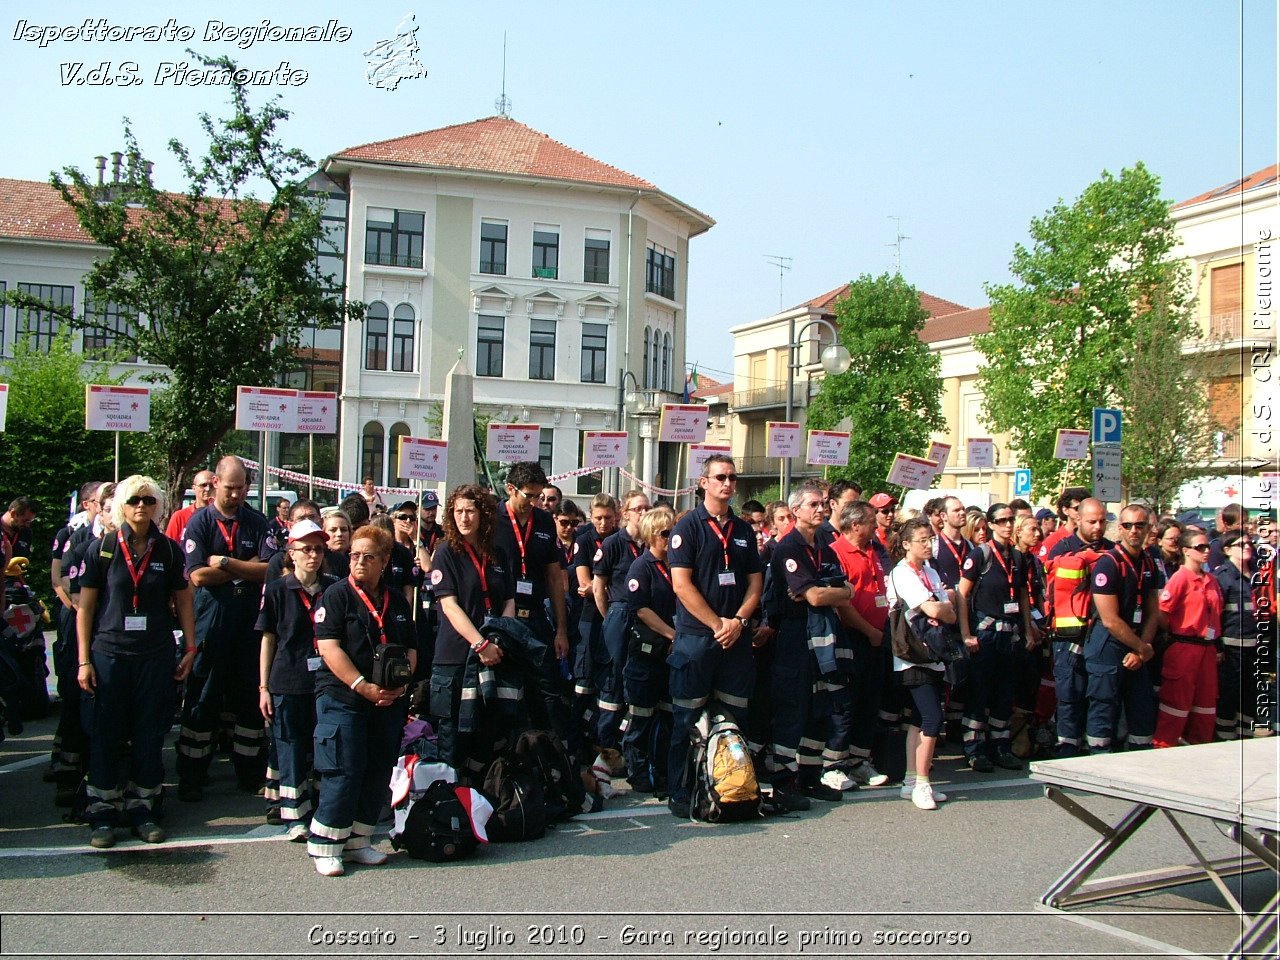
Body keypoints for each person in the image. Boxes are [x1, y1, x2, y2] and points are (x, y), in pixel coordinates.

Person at [76, 475, 196, 847]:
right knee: (107, 734)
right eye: (133, 501)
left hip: (155, 655)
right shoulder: (103, 548)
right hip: (110, 653)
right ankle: (103, 813)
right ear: (120, 506)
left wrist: (191, 648)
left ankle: (144, 808)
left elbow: (184, 600)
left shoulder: (170, 551)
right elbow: (86, 607)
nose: (141, 507)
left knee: (149, 733)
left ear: (158, 506)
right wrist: (83, 660)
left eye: (148, 501)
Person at [308, 524, 415, 876]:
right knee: (344, 765)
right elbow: (328, 647)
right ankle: (326, 844)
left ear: (384, 561)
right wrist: (361, 685)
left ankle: (358, 840)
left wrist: (398, 686)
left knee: (378, 767)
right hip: (344, 697)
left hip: (387, 700)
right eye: (354, 556)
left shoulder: (396, 599)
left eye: (368, 557)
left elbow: (410, 649)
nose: (359, 563)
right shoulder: (336, 596)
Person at [665, 454, 763, 818]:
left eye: (732, 478)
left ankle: (733, 787)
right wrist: (716, 624)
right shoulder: (687, 527)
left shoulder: (743, 530)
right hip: (698, 638)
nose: (727, 484)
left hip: (736, 638)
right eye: (720, 477)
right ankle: (680, 790)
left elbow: (756, 582)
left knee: (735, 717)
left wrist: (737, 620)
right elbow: (681, 584)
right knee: (686, 720)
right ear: (703, 482)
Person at [176, 456, 273, 801]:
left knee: (248, 699)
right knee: (203, 697)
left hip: (248, 622)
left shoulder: (257, 522)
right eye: (229, 487)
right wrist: (245, 568)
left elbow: (268, 570)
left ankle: (249, 773)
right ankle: (192, 775)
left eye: (241, 487)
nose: (235, 494)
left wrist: (228, 564)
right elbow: (198, 574)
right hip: (210, 621)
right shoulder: (199, 523)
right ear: (215, 483)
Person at [765, 480, 852, 809]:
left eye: (823, 504)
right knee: (793, 707)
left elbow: (846, 591)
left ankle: (811, 775)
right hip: (795, 635)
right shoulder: (788, 548)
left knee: (821, 708)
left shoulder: (826, 548)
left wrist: (830, 592)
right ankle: (784, 783)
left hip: (825, 634)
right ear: (796, 510)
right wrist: (824, 592)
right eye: (813, 504)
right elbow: (816, 594)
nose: (821, 509)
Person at [258, 519, 338, 842]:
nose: (313, 556)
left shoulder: (333, 588)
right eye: (306, 549)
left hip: (322, 682)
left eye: (319, 549)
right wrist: (263, 687)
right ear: (291, 553)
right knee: (290, 748)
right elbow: (268, 639)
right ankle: (293, 815)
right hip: (287, 682)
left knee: (320, 748)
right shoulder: (278, 589)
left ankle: (319, 806)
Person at [427, 484, 514, 770]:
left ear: (484, 515)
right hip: (456, 657)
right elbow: (449, 606)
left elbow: (509, 600)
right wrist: (480, 644)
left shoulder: (498, 552)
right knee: (453, 736)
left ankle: (482, 799)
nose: (464, 518)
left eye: (471, 511)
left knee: (487, 734)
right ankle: (450, 804)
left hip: (494, 654)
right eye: (458, 511)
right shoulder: (446, 553)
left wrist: (499, 639)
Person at [956, 503, 1034, 771]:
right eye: (1001, 521)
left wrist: (1028, 628)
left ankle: (1000, 745)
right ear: (990, 524)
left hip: (1009, 635)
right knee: (980, 692)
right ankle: (974, 749)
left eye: (1010, 520)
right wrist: (967, 633)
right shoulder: (980, 555)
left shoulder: (1018, 557)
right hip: (986, 633)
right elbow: (962, 595)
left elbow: (1022, 594)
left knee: (1004, 693)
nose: (1008, 525)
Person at [886, 517, 955, 811]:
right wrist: (941, 606)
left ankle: (911, 780)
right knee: (931, 719)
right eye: (922, 541)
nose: (928, 545)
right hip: (912, 654)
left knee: (918, 719)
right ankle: (923, 782)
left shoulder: (930, 570)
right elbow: (931, 607)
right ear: (906, 545)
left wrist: (943, 607)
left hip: (934, 652)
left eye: (931, 540)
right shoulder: (902, 573)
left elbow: (949, 609)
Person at [826, 499, 891, 790]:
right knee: (846, 702)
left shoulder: (875, 550)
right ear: (855, 525)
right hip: (851, 638)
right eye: (871, 521)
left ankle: (859, 761)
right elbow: (841, 603)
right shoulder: (836, 552)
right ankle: (834, 763)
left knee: (869, 700)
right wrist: (869, 630)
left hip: (876, 638)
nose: (876, 525)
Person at [1084, 503, 1159, 753]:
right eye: (1127, 526)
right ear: (1120, 529)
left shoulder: (1149, 563)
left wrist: (1142, 651)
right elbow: (1110, 620)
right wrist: (1141, 648)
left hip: (1137, 647)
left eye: (1140, 525)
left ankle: (1139, 763)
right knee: (1104, 709)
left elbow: (1152, 610)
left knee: (1141, 710)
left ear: (1148, 528)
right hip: (1109, 646)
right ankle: (1098, 762)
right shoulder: (1108, 564)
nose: (1134, 531)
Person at [47, 481, 102, 801]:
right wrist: (84, 611)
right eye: (99, 503)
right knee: (73, 696)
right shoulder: (73, 536)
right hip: (76, 621)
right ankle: (67, 771)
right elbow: (61, 580)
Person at [621, 504, 677, 793]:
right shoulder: (641, 567)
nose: (671, 538)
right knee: (641, 716)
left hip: (671, 654)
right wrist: (671, 634)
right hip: (647, 652)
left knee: (667, 717)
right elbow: (641, 609)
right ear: (651, 535)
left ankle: (663, 770)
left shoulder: (677, 565)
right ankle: (637, 770)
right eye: (666, 533)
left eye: (673, 532)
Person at [593, 489, 650, 752]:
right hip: (621, 613)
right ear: (625, 514)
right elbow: (598, 588)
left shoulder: (651, 545)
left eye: (646, 508)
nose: (644, 513)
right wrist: (612, 619)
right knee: (613, 679)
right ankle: (607, 744)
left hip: (646, 618)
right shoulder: (613, 544)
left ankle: (634, 746)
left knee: (637, 680)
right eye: (638, 509)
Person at [1154, 527, 1223, 748]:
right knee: (1176, 704)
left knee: (1205, 705)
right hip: (1184, 647)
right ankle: (1165, 747)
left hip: (1207, 649)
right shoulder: (1180, 579)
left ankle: (1200, 745)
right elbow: (1162, 612)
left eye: (1207, 546)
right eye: (1200, 547)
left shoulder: (1211, 580)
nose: (1206, 551)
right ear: (1186, 551)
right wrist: (1177, 629)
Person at [572, 493, 618, 756]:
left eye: (608, 518)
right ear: (591, 516)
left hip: (615, 618)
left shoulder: (621, 540)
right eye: (598, 518)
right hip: (590, 618)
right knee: (585, 678)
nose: (603, 522)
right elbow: (584, 583)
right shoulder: (584, 541)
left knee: (610, 679)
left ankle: (607, 742)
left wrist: (600, 589)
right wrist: (605, 589)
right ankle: (579, 742)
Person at [1215, 530, 1262, 741]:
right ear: (1227, 550)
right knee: (1229, 695)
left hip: (1256, 646)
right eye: (1240, 544)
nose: (1246, 548)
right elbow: (1216, 614)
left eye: (1248, 544)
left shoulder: (1257, 574)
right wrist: (1219, 647)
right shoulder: (1223, 576)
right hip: (1232, 648)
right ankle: (1225, 738)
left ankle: (1245, 735)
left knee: (1250, 695)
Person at [1039, 487, 1090, 561]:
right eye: (1077, 508)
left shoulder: (1093, 537)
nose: (1082, 512)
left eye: (1085, 508)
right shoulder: (1052, 541)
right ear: (1065, 510)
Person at [165, 470, 215, 541]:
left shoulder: (223, 516)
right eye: (203, 485)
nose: (208, 489)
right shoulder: (179, 517)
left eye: (212, 485)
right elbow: (169, 547)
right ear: (194, 488)